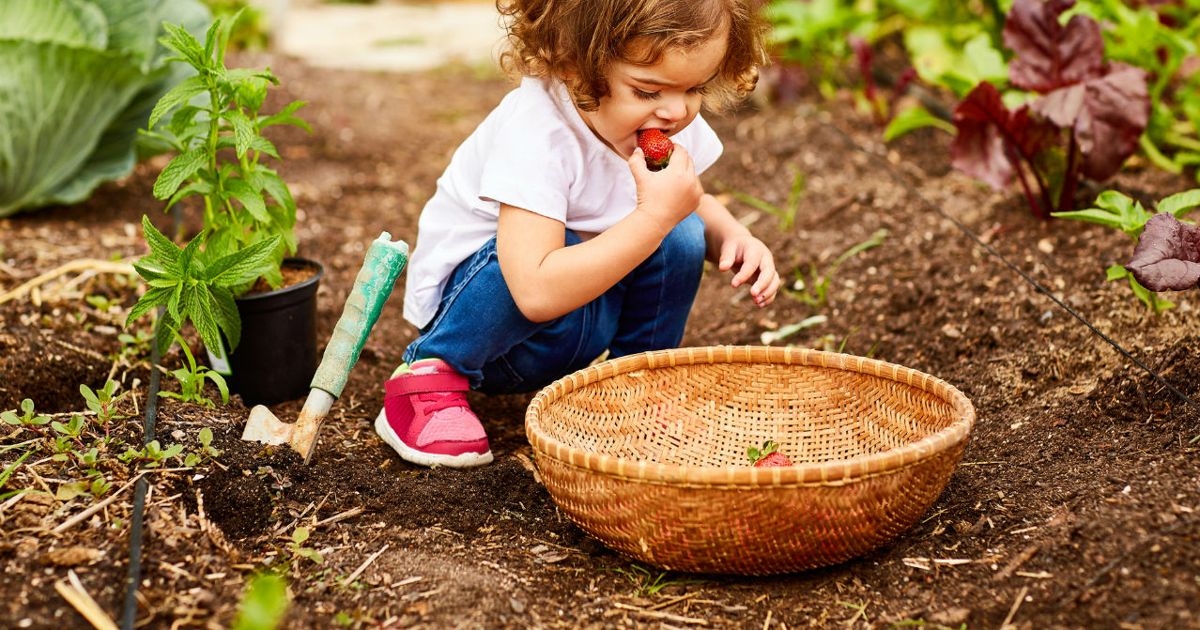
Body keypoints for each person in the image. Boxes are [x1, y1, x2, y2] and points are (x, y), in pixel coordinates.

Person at [376, 0, 781, 468]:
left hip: (579, 320)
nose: (676, 111)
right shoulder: (538, 133)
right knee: (589, 236)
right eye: (647, 90)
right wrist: (653, 218)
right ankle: (428, 378)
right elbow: (535, 289)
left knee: (682, 230)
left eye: (695, 88)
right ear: (573, 66)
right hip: (496, 337)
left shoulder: (660, 117)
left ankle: (635, 386)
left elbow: (686, 200)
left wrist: (732, 235)